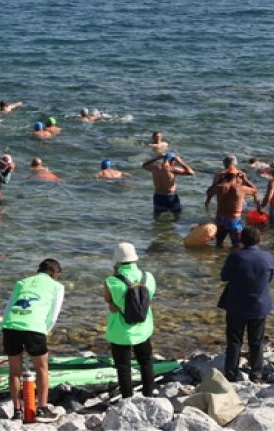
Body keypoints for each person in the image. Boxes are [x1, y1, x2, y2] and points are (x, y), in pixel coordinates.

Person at [1, 259, 65, 422]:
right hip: (34, 328)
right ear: (56, 274)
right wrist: (42, 334)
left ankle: (17, 412)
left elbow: (8, 308)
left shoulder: (21, 282)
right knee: (42, 369)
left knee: (14, 371)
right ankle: (42, 409)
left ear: (39, 270)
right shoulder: (57, 286)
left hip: (10, 326)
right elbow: (53, 316)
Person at [218, 227, 274, 382]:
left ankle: (231, 374)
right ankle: (256, 374)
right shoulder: (267, 257)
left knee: (235, 341)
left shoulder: (236, 257)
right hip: (260, 304)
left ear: (241, 240)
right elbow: (270, 277)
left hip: (237, 304)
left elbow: (224, 276)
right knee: (256, 341)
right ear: (259, 240)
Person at [103, 243, 156, 398]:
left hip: (120, 330)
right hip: (143, 328)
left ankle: (127, 399)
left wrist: (115, 304)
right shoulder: (148, 277)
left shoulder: (111, 281)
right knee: (146, 362)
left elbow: (109, 302)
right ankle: (148, 395)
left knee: (123, 367)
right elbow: (148, 299)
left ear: (117, 261)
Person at [205, 171, 260, 248]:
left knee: (219, 243)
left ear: (225, 177)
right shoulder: (241, 188)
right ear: (237, 177)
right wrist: (245, 180)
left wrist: (218, 180)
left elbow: (208, 192)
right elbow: (255, 190)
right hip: (234, 220)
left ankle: (219, 259)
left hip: (220, 219)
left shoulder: (219, 187)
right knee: (237, 245)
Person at [142, 151, 194, 218]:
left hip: (158, 196)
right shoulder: (172, 169)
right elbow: (191, 172)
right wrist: (180, 162)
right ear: (172, 161)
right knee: (176, 216)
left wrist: (157, 158)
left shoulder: (155, 168)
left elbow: (144, 165)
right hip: (170, 197)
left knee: (157, 218)